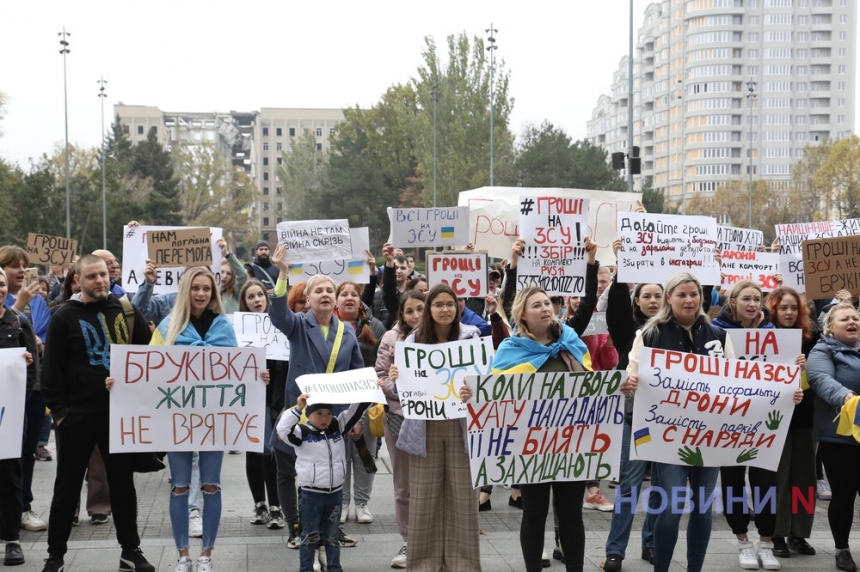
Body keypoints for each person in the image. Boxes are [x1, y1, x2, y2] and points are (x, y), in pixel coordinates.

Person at [39, 255, 154, 572]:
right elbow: (51, 371)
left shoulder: (126, 311)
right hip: (77, 417)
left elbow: (149, 360)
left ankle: (130, 551)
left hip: (117, 417)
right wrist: (61, 414)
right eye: (92, 276)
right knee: (67, 486)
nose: (100, 281)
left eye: (103, 274)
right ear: (78, 280)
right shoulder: (64, 317)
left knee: (123, 486)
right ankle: (55, 556)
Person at [622, 272, 736, 572]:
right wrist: (630, 381)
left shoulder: (719, 337)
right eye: (682, 294)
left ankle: (694, 568)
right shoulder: (650, 334)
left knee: (702, 509)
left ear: (701, 298)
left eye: (694, 294)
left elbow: (737, 384)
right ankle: (661, 567)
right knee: (670, 507)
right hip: (667, 436)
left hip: (709, 437)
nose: (689, 299)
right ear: (668, 298)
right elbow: (631, 374)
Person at [478, 286, 592, 572]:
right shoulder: (510, 349)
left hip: (570, 444)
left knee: (571, 515)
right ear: (523, 316)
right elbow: (496, 394)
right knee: (534, 514)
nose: (545, 309)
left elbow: (593, 386)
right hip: (529, 446)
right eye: (537, 305)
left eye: (547, 303)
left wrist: (619, 388)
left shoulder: (572, 341)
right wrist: (475, 395)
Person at [145, 266, 249, 572]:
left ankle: (206, 555)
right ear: (185, 291)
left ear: (213, 292)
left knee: (211, 485)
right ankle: (183, 556)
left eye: (206, 288)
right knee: (179, 485)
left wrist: (258, 376)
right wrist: (122, 383)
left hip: (213, 420)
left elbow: (238, 370)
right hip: (178, 418)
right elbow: (148, 369)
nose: (201, 293)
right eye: (195, 288)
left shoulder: (224, 327)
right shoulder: (167, 327)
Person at [268, 245, 365, 568]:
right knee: (297, 472)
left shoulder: (347, 331)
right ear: (307, 298)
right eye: (318, 290)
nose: (325, 294)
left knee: (329, 472)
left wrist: (358, 416)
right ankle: (299, 527)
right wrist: (282, 273)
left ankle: (328, 530)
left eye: (330, 290)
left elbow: (358, 374)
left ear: (336, 300)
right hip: (302, 413)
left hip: (334, 417)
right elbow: (277, 314)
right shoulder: (297, 325)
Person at [389, 284, 482, 572]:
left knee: (463, 500)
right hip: (424, 429)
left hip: (461, 427)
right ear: (429, 310)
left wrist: (473, 391)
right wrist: (396, 377)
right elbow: (404, 389)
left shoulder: (472, 337)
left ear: (458, 308)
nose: (445, 309)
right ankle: (423, 564)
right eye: (438, 304)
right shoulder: (413, 342)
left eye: (450, 304)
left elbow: (484, 383)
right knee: (424, 501)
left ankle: (463, 564)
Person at [711, 280, 803, 571]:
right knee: (734, 482)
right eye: (745, 299)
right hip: (729, 422)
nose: (752, 304)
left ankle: (765, 542)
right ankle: (742, 542)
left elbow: (784, 378)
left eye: (756, 299)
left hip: (765, 422)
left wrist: (794, 377)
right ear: (733, 301)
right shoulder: (715, 331)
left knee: (766, 483)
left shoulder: (774, 334)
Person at [603, 269, 664, 572]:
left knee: (662, 488)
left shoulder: (673, 329)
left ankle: (651, 544)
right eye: (647, 296)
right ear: (636, 301)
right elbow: (614, 306)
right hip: (635, 417)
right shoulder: (628, 331)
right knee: (629, 485)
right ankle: (615, 551)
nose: (653, 301)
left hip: (669, 421)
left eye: (658, 296)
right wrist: (620, 267)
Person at [277, 394, 369, 572]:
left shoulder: (338, 427)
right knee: (309, 535)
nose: (324, 418)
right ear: (309, 414)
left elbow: (356, 410)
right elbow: (283, 430)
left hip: (335, 494)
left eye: (328, 413)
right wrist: (298, 410)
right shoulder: (301, 433)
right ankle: (306, 568)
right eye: (318, 413)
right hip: (311, 495)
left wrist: (368, 390)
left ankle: (335, 567)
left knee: (332, 536)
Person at [766, 286, 819, 559]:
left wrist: (805, 367)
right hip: (775, 420)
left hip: (806, 418)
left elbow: (820, 377)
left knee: (805, 479)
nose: (789, 312)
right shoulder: (761, 337)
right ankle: (777, 533)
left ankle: (799, 533)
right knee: (779, 478)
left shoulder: (812, 338)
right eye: (784, 307)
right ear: (773, 309)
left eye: (794, 308)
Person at [807, 303, 860, 572]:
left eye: (855, 318)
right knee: (844, 495)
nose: (852, 322)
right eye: (844, 319)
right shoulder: (822, 350)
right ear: (830, 327)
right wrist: (849, 399)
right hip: (840, 438)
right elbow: (820, 380)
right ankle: (842, 549)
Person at [376, 290, 425, 568]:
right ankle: (409, 541)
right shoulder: (390, 338)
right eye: (409, 311)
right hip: (399, 419)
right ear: (402, 314)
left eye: (420, 309)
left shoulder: (440, 338)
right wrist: (396, 384)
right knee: (403, 486)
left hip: (434, 420)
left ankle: (431, 538)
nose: (415, 315)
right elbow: (380, 376)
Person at [238, 279, 289, 532]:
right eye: (251, 297)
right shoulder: (237, 331)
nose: (257, 300)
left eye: (260, 295)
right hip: (250, 401)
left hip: (276, 401)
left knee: (273, 455)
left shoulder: (278, 326)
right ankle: (260, 504)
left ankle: (276, 506)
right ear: (244, 302)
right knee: (254, 453)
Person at [334, 281, 386, 525]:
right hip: (337, 405)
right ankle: (342, 502)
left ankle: (362, 503)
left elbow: (381, 366)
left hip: (367, 403)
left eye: (353, 294)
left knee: (365, 455)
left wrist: (362, 414)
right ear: (336, 301)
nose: (349, 298)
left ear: (361, 300)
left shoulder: (375, 327)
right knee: (340, 457)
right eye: (343, 294)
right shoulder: (329, 327)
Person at [0, 268, 38, 566]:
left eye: (1, 284)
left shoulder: (18, 321)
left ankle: (11, 539)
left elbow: (33, 369)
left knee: (11, 474)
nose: (0, 289)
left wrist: (17, 403)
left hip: (8, 414)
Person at [218, 237, 249, 315]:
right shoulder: (209, 292)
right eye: (222, 272)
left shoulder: (236, 291)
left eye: (229, 274)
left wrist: (226, 254)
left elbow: (243, 274)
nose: (224, 276)